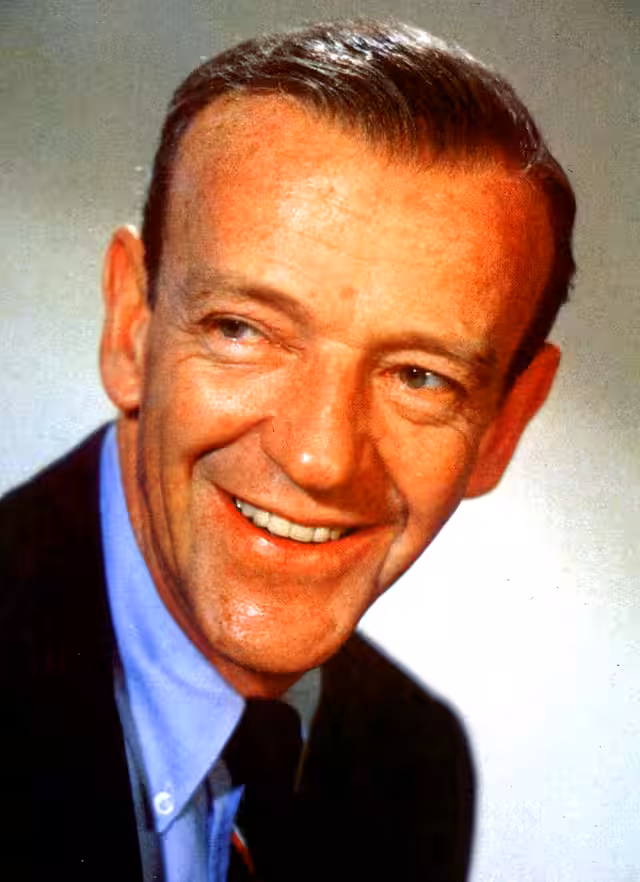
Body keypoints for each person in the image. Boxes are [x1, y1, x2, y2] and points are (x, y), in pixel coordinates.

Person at [0, 19, 575, 882]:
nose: (318, 458)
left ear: (504, 426)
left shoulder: (416, 762)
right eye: (243, 330)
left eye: (419, 377)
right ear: (131, 327)